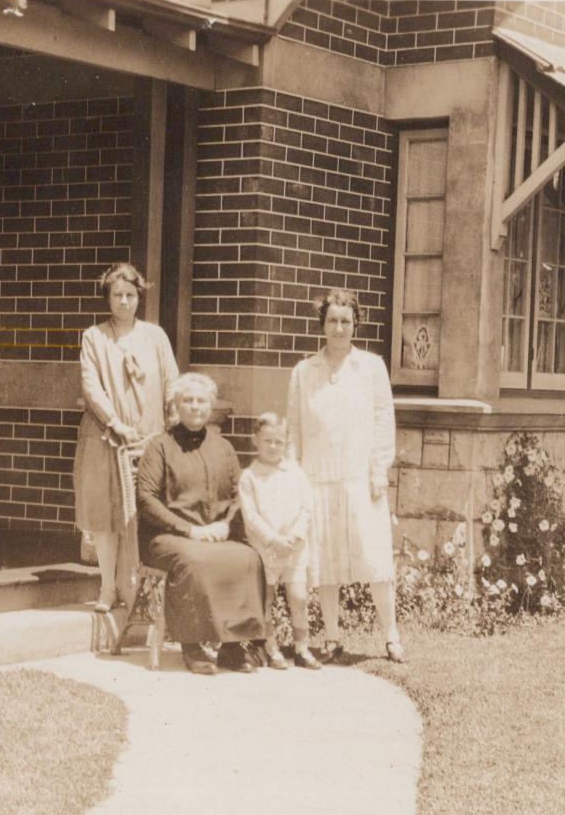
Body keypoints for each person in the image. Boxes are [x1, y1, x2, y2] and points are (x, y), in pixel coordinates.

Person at [286, 289, 404, 663]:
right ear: (322, 324)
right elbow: (294, 429)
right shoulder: (304, 371)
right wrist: (294, 478)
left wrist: (379, 469)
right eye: (332, 320)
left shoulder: (371, 367)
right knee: (325, 562)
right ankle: (333, 636)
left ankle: (391, 635)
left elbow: (384, 420)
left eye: (346, 321)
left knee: (375, 559)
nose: (339, 328)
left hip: (360, 478)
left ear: (356, 325)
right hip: (317, 478)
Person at [137, 373, 274, 675]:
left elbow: (239, 495)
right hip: (167, 537)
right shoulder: (159, 447)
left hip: (214, 534)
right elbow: (146, 499)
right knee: (194, 561)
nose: (195, 406)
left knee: (248, 557)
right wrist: (190, 530)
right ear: (176, 405)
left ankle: (233, 646)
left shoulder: (223, 447)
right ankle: (193, 644)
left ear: (211, 406)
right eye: (187, 400)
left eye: (201, 400)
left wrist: (226, 525)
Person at [73, 263, 179, 612]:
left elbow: (170, 382)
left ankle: (137, 592)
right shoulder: (94, 337)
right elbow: (92, 388)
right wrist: (115, 423)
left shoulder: (155, 337)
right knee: (105, 515)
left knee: (139, 516)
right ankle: (107, 587)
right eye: (116, 295)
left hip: (147, 441)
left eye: (130, 295)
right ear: (107, 298)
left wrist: (173, 414)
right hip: (106, 439)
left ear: (139, 297)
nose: (123, 301)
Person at [239, 413, 321, 670]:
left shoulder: (295, 473)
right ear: (255, 440)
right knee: (267, 597)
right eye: (267, 441)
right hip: (266, 549)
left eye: (278, 441)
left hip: (294, 547)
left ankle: (302, 648)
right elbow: (250, 516)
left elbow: (307, 508)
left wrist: (294, 536)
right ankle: (271, 646)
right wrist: (273, 540)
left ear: (286, 443)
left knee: (298, 597)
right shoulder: (250, 477)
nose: (273, 447)